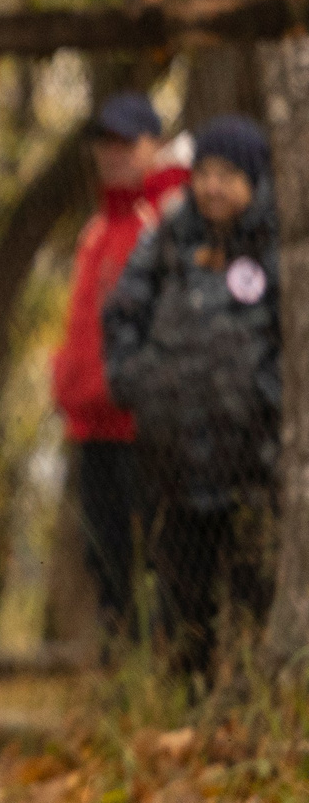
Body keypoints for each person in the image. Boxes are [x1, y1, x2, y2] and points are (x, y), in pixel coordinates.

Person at [102, 114, 282, 677]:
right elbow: (122, 314)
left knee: (253, 604)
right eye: (203, 173)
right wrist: (137, 381)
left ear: (254, 181)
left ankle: (249, 703)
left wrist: (268, 395)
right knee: (183, 612)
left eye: (228, 175)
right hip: (175, 471)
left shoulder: (276, 249)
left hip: (253, 472)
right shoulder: (167, 242)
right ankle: (186, 706)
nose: (212, 187)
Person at [50, 93, 187, 631]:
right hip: (93, 425)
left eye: (127, 143)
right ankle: (118, 663)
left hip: (141, 426)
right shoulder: (97, 230)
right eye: (105, 143)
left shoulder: (163, 221)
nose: (113, 154)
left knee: (150, 558)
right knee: (105, 561)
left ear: (154, 146)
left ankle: (158, 663)